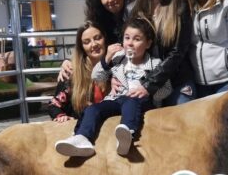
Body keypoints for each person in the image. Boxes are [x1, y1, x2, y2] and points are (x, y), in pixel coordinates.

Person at [55, 17, 171, 157]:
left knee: (130, 102)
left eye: (137, 39)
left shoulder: (155, 64)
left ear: (148, 43)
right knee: (93, 109)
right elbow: (96, 77)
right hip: (116, 100)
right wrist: (106, 59)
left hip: (139, 102)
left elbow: (167, 89)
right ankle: (82, 137)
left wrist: (148, 90)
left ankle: (127, 133)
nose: (131, 43)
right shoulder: (118, 58)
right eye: (127, 38)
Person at [130, 0, 195, 105]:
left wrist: (150, 85)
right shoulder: (136, 10)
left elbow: (178, 52)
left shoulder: (180, 8)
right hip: (146, 80)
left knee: (181, 124)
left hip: (177, 81)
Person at [58, 0, 137, 83]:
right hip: (108, 76)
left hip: (134, 76)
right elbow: (87, 49)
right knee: (67, 75)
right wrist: (68, 62)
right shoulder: (98, 21)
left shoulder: (136, 16)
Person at [47, 21, 108, 122]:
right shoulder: (71, 73)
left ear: (105, 39)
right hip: (81, 130)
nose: (94, 44)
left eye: (97, 38)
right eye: (87, 42)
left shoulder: (117, 67)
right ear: (82, 47)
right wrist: (61, 116)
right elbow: (54, 104)